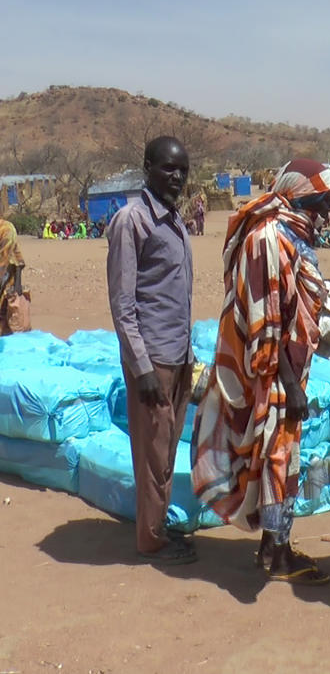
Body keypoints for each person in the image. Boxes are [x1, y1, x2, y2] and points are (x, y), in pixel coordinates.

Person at [192, 158, 330, 585]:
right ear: (299, 197)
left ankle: (272, 546)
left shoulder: (289, 236)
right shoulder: (268, 239)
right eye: (321, 203)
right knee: (277, 456)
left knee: (278, 456)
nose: (326, 215)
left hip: (286, 369)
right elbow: (266, 317)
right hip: (270, 372)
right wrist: (289, 382)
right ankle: (279, 556)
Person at [106, 136, 196, 565]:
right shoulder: (132, 221)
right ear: (147, 167)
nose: (176, 177)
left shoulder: (175, 222)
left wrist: (190, 354)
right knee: (152, 451)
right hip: (153, 360)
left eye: (182, 170)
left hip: (178, 354)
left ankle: (157, 526)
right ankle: (151, 539)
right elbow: (123, 305)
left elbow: (177, 295)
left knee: (168, 447)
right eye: (167, 169)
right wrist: (141, 368)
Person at [0, 213, 26, 335]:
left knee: (8, 320)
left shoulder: (6, 229)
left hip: (6, 281)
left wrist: (17, 285)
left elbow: (4, 264)